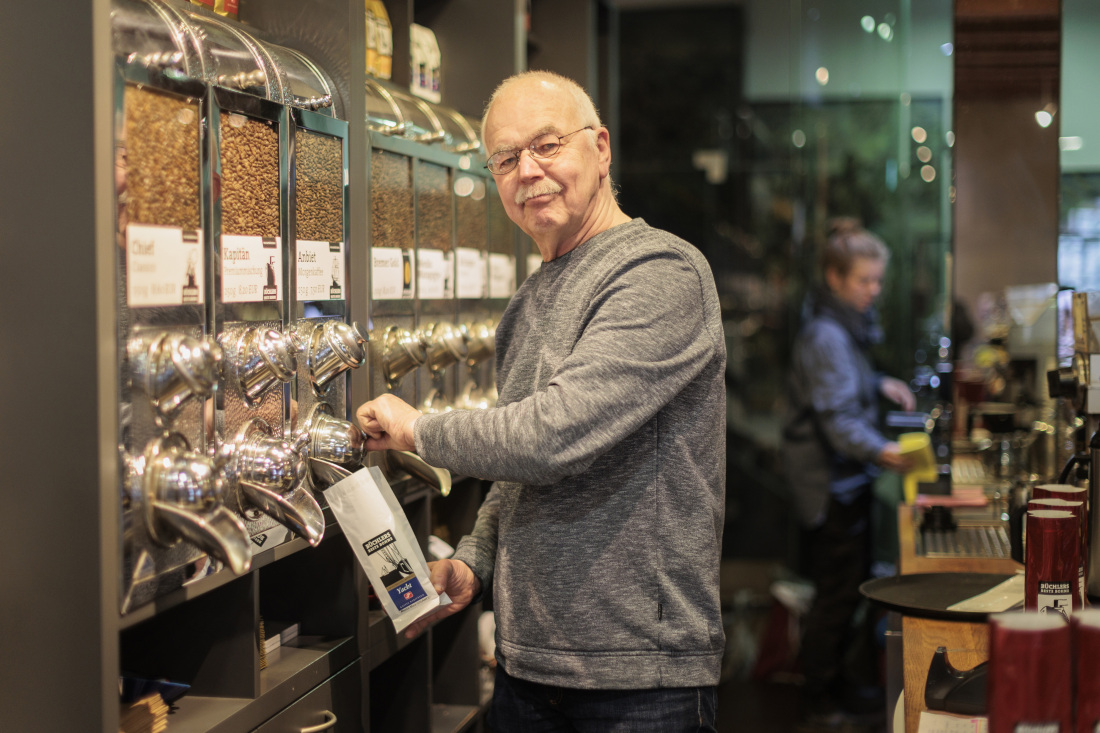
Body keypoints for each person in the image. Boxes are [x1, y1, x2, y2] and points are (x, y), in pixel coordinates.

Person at [356, 70, 726, 731]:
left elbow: (552, 436)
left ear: (601, 147)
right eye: (506, 157)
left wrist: (418, 429)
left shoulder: (660, 273)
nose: (528, 171)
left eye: (547, 145)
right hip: (528, 673)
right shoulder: (531, 300)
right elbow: (516, 467)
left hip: (639, 681)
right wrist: (474, 557)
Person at [781, 219, 916, 730]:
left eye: (878, 281)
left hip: (844, 485)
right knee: (835, 598)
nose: (874, 290)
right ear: (835, 278)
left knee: (847, 590)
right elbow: (837, 421)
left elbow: (845, 387)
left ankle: (842, 686)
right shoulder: (826, 335)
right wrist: (885, 451)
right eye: (865, 280)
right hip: (828, 489)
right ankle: (820, 699)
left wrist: (879, 383)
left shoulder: (840, 329)